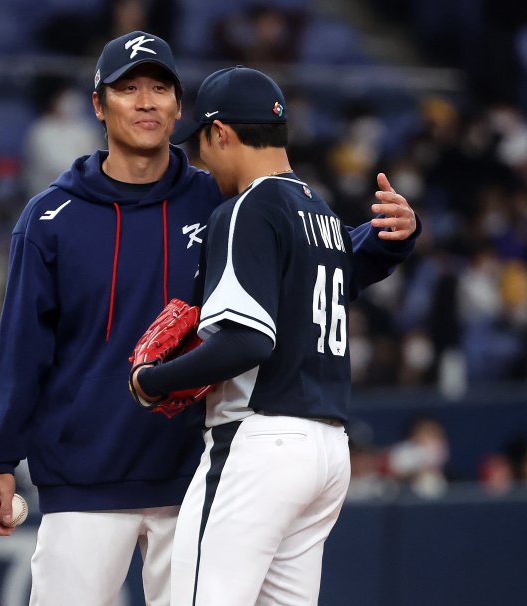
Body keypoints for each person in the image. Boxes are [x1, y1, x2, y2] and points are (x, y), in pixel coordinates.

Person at [0, 32, 418, 606]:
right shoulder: (51, 216)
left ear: (181, 108)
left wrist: (381, 242)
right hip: (85, 475)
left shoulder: (222, 197)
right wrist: (1, 457)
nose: (144, 102)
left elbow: (300, 277)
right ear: (98, 105)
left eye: (159, 88)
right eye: (127, 88)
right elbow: (21, 349)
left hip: (197, 470)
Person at [130, 66, 419, 605]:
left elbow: (246, 342)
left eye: (203, 145)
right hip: (327, 451)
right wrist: (397, 241)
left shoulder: (245, 208)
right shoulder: (320, 210)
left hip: (258, 443)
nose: (203, 161)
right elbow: (346, 270)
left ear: (221, 133)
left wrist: (156, 379)